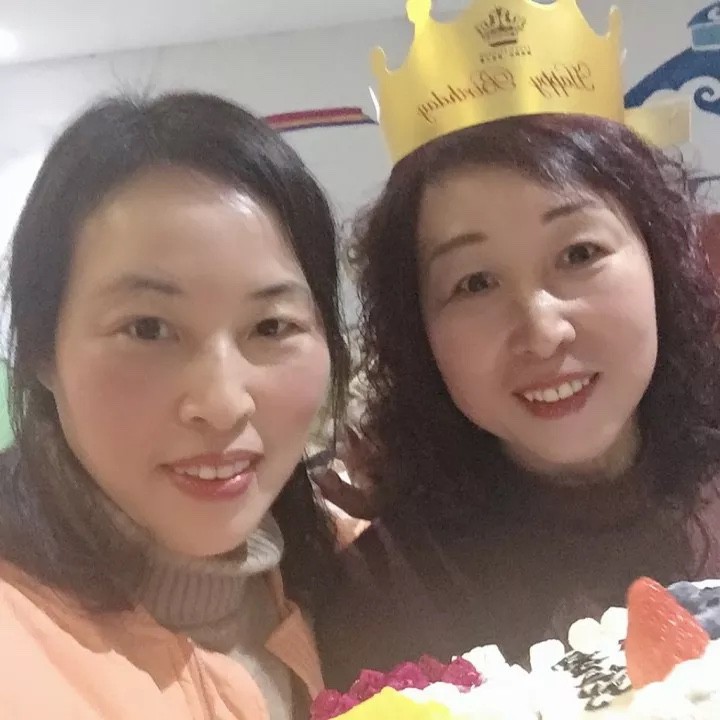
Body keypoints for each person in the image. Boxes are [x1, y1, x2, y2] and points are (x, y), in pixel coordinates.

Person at [314, 8, 720, 693]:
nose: (543, 331)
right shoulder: (386, 599)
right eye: (475, 283)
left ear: (658, 260)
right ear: (419, 330)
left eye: (579, 253)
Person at [0, 91, 349, 719]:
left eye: (271, 326)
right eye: (148, 329)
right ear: (42, 350)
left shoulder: (365, 579)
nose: (222, 404)